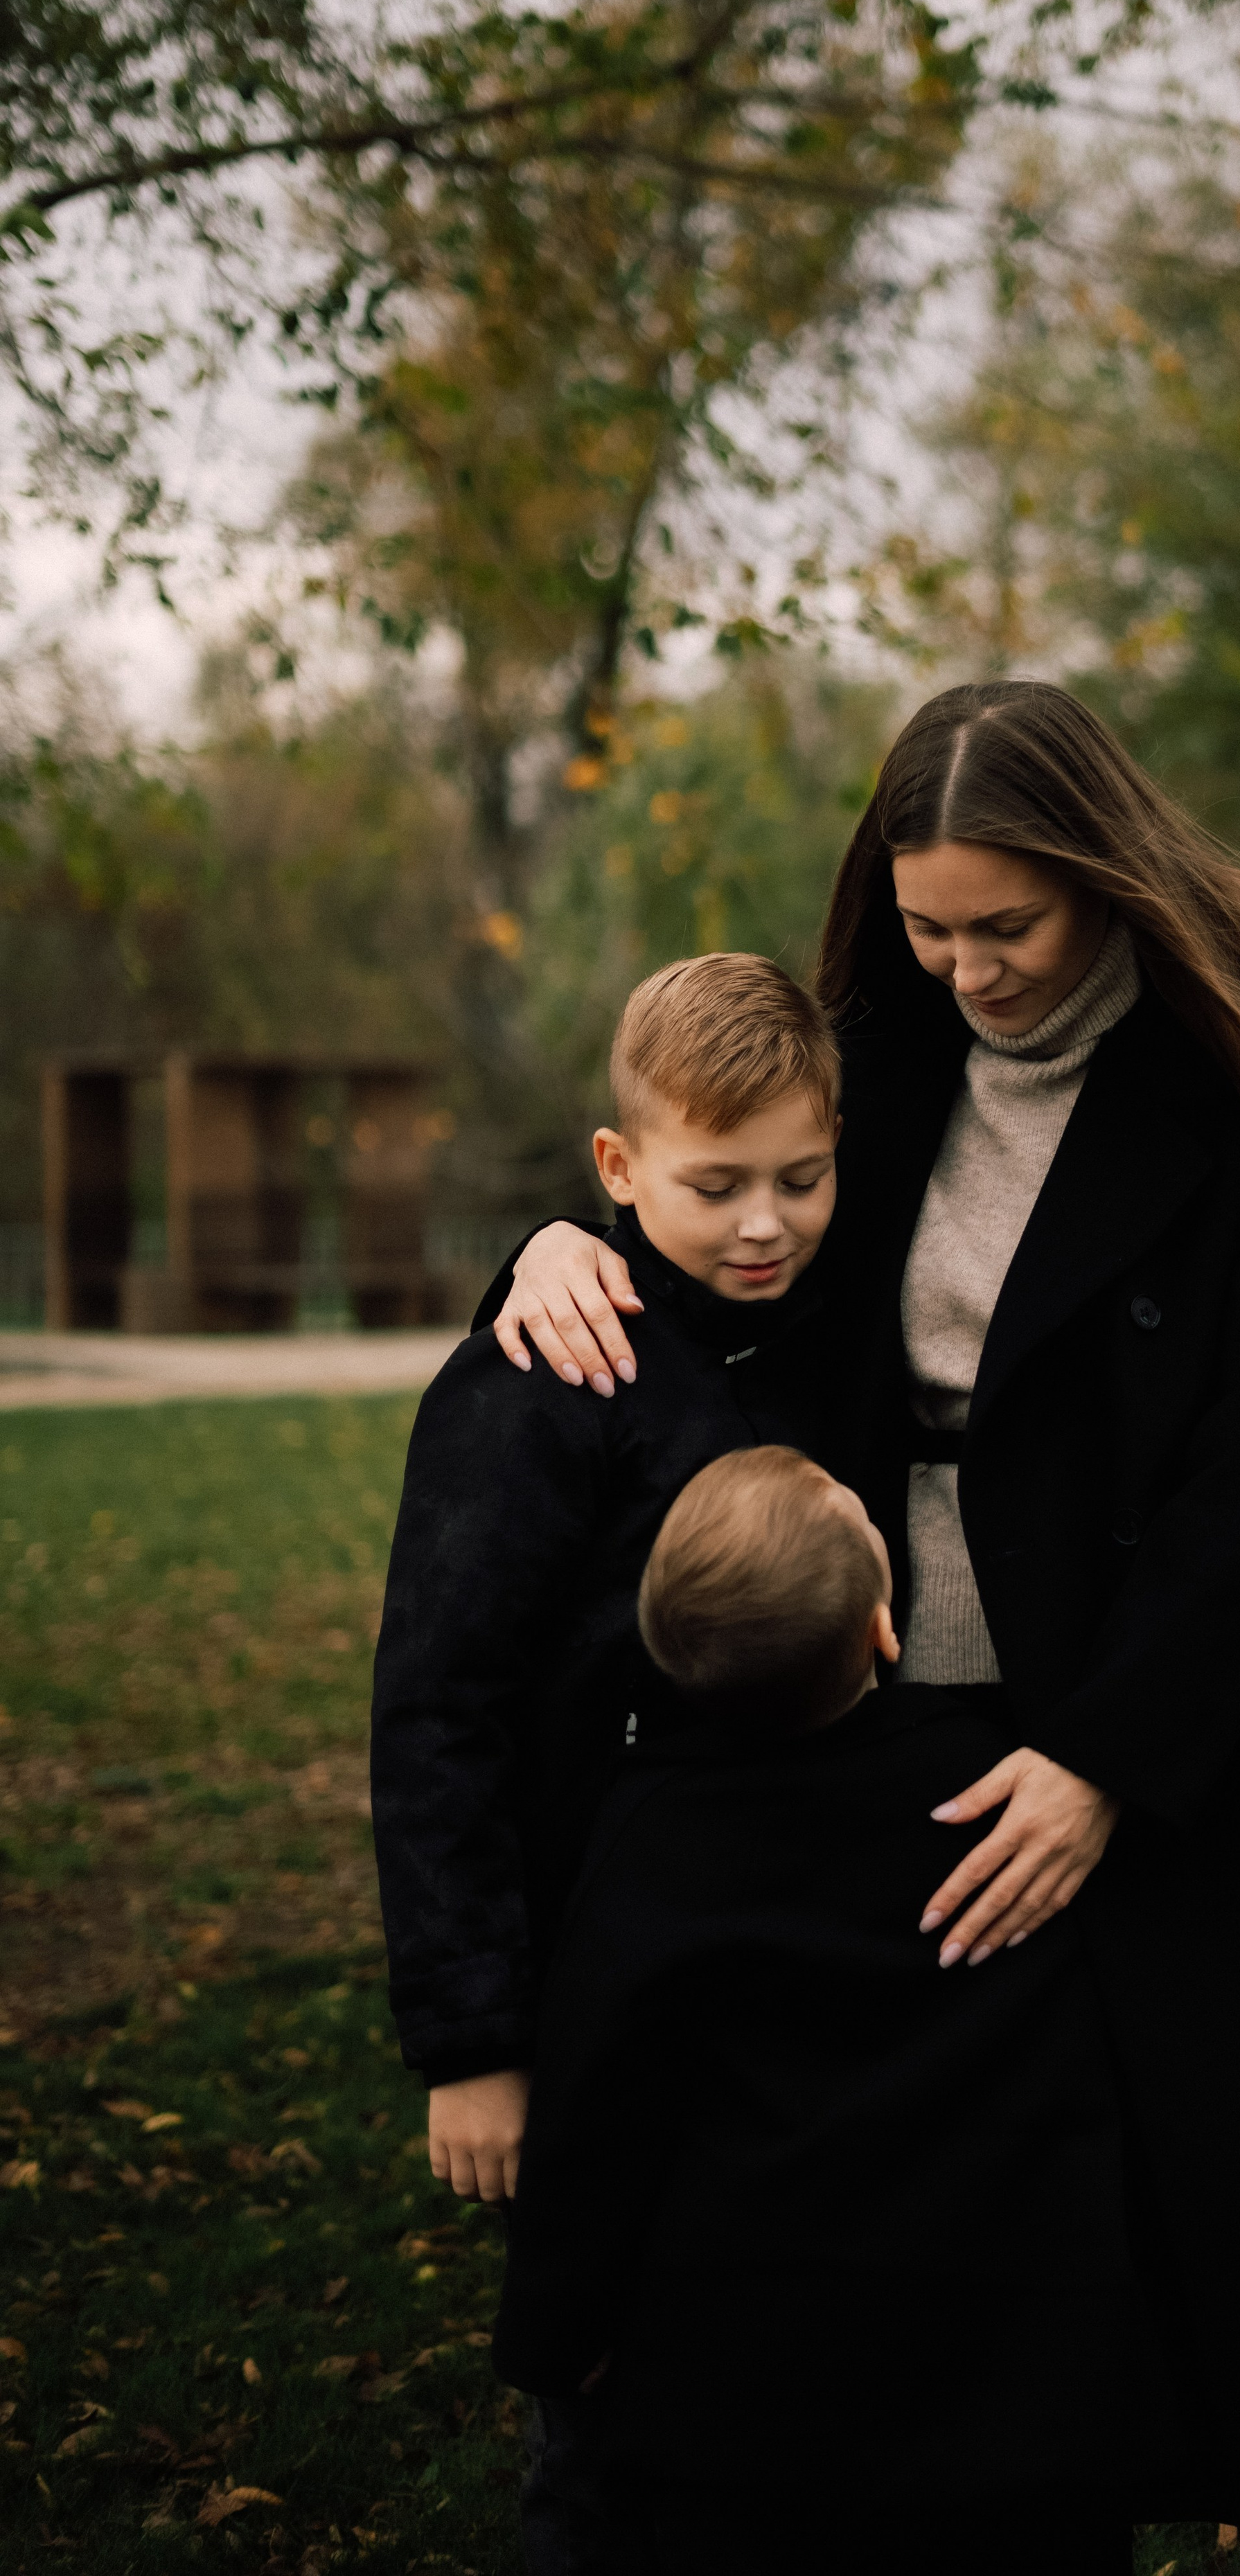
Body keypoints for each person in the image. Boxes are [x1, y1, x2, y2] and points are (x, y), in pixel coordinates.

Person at [485, 680, 1240, 2573]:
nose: (965, 966)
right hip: (894, 1710)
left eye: (1007, 924)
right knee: (985, 2255)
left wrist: (1110, 1761)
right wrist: (561, 1250)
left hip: (1203, 1727)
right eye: (925, 924)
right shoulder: (880, 1054)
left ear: (1103, 875)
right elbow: (724, 1206)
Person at [496, 1444, 1187, 2576]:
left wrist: (556, 2326)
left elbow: (597, 2098)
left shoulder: (655, 1834)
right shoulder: (994, 1794)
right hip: (1013, 2358)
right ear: (884, 1626)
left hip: (755, 2383)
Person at [371, 953, 851, 2574]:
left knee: (786, 2371)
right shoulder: (542, 1376)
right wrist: (471, 2040)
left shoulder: (822, 1338)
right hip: (598, 1981)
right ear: (617, 1167)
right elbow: (438, 1709)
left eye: (802, 1175)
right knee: (606, 2388)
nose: (765, 1221)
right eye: (714, 1186)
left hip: (791, 1962)